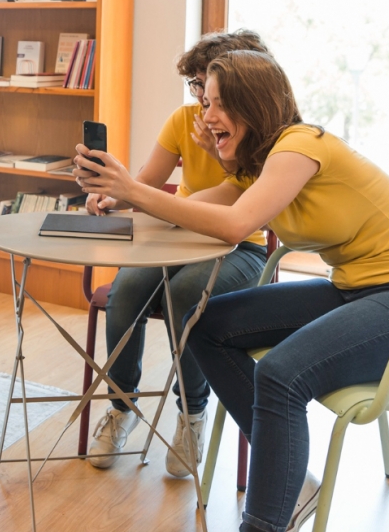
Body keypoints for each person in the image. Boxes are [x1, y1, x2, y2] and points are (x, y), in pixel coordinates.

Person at [75, 50, 389, 532]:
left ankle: (262, 523)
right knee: (207, 325)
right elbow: (193, 206)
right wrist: (116, 197)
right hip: (355, 289)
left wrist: (136, 192)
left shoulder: (299, 147)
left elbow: (236, 224)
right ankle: (291, 480)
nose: (205, 116)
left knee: (281, 374)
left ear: (254, 106)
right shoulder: (254, 168)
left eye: (218, 104)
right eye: (204, 102)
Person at [82, 30, 272, 477]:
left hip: (239, 246)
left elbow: (230, 202)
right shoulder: (182, 120)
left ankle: (191, 414)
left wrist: (222, 156)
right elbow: (147, 183)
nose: (204, 103)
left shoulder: (262, 132)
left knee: (185, 296)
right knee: (125, 290)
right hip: (178, 234)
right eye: (198, 89)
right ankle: (121, 407)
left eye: (211, 90)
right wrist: (112, 195)